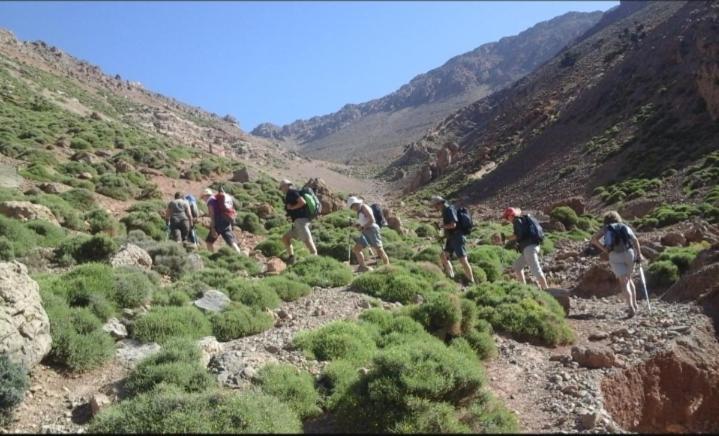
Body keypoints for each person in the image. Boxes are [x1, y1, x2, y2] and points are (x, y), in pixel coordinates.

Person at [591, 211, 643, 317]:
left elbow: (593, 239)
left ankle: (630, 307)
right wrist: (639, 254)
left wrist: (604, 249)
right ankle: (635, 304)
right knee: (629, 278)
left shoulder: (606, 228)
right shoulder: (624, 226)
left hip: (615, 255)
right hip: (629, 253)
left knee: (623, 282)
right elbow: (635, 240)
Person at [431, 196, 474, 285]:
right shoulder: (445, 210)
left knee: (463, 260)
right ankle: (451, 276)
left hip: (457, 237)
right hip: (451, 238)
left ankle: (471, 281)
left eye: (435, 206)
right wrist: (443, 236)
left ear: (439, 204)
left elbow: (453, 225)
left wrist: (442, 226)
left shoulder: (448, 210)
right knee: (443, 256)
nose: (435, 208)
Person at [502, 207, 549, 290]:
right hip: (532, 246)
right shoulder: (522, 220)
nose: (507, 219)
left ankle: (547, 289)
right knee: (517, 266)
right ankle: (524, 288)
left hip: (529, 248)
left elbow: (518, 235)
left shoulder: (516, 221)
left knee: (536, 270)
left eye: (507, 217)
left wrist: (506, 237)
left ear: (510, 216)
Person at [347, 196, 390, 272]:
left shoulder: (364, 207)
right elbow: (363, 223)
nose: (353, 208)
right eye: (352, 207)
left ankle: (387, 267)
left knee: (379, 250)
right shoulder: (359, 211)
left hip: (372, 230)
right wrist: (356, 225)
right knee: (356, 249)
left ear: (356, 203)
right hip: (365, 232)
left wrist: (363, 227)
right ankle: (363, 267)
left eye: (353, 206)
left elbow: (372, 220)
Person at [280, 179, 317, 264]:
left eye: (281, 187)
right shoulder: (292, 192)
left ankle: (315, 258)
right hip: (297, 222)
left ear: (285, 186)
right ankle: (291, 258)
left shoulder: (291, 192)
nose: (281, 189)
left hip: (301, 220)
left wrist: (291, 208)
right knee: (285, 238)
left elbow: (302, 202)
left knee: (307, 240)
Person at [200, 187, 242, 254]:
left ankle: (211, 258)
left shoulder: (210, 202)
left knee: (209, 242)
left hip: (218, 221)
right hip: (226, 219)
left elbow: (212, 216)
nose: (203, 199)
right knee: (231, 241)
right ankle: (239, 254)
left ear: (206, 196)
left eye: (203, 197)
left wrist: (213, 228)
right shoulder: (216, 199)